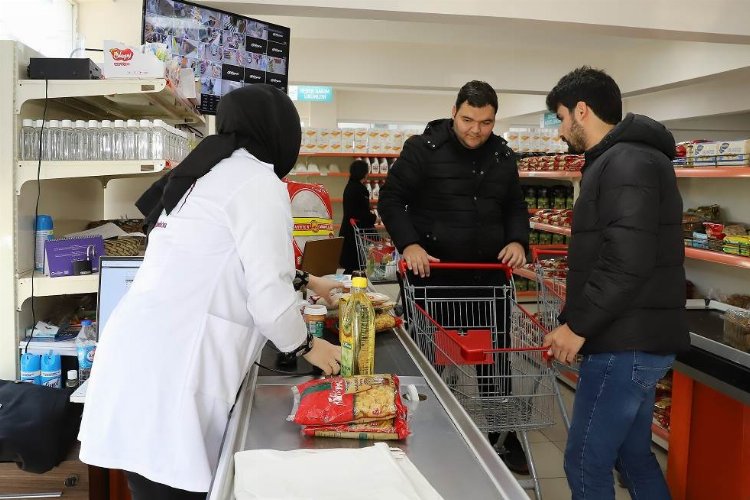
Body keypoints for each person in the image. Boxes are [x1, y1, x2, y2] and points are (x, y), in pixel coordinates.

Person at [77, 85, 342, 500]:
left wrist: (310, 281)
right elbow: (268, 298)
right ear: (278, 132)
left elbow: (224, 259)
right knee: (172, 486)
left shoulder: (206, 174)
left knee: (151, 484)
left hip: (138, 364)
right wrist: (310, 346)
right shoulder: (258, 181)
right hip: (175, 373)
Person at [542, 66, 689, 499]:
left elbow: (626, 261)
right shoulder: (626, 159)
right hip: (635, 337)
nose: (560, 131)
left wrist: (578, 326)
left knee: (585, 462)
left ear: (581, 111)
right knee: (633, 456)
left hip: (624, 344)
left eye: (560, 118)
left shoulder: (626, 162)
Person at [378, 80, 530, 473]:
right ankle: (416, 425)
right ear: (454, 112)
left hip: (488, 280)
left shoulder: (502, 155)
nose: (476, 130)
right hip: (434, 278)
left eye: (485, 122)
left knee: (495, 360)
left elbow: (515, 204)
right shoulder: (422, 150)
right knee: (426, 361)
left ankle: (504, 436)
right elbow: (391, 200)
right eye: (468, 119)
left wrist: (517, 239)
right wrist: (409, 244)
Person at [338, 159, 377, 274]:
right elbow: (360, 213)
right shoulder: (360, 189)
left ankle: (347, 287)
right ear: (364, 174)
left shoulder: (349, 186)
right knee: (355, 265)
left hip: (348, 229)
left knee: (351, 266)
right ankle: (351, 288)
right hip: (356, 232)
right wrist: (373, 217)